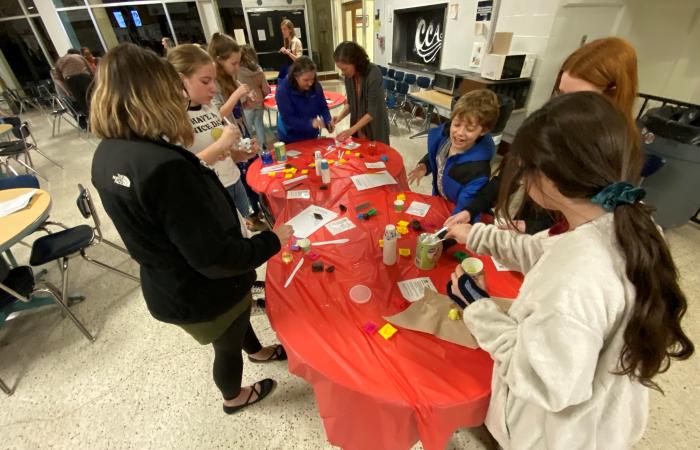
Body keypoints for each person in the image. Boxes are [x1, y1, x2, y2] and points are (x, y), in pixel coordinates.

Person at [445, 92, 694, 449]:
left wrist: (476, 304)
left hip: (558, 435)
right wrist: (476, 234)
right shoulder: (618, 218)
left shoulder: (577, 278)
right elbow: (542, 250)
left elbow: (544, 379)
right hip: (602, 416)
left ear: (549, 177)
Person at [90, 43, 293, 415]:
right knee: (226, 344)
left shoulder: (108, 153)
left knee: (237, 321)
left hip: (171, 283)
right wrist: (272, 240)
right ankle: (234, 396)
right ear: (156, 93)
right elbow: (216, 259)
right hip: (202, 291)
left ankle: (258, 350)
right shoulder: (163, 165)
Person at [445, 36, 641, 233]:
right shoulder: (552, 128)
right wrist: (472, 210)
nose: (563, 108)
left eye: (578, 99)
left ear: (612, 95)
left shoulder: (617, 153)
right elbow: (507, 176)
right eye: (561, 94)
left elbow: (589, 224)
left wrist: (532, 228)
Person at [167, 44, 266, 232]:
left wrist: (240, 154)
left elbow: (222, 154)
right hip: (211, 193)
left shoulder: (209, 106)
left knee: (242, 232)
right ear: (181, 80)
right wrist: (222, 145)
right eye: (205, 81)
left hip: (233, 180)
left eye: (214, 80)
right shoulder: (172, 120)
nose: (213, 88)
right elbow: (182, 172)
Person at [208, 33, 267, 231]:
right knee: (243, 179)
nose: (236, 67)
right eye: (233, 63)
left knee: (253, 173)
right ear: (218, 60)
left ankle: (258, 213)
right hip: (228, 143)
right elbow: (216, 116)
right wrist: (236, 95)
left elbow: (237, 110)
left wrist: (248, 100)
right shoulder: (212, 84)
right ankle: (251, 218)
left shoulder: (230, 78)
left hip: (242, 134)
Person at [407, 90, 499, 215]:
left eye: (469, 129)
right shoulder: (445, 139)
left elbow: (466, 208)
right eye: (456, 124)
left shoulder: (478, 171)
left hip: (455, 211)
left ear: (483, 131)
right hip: (440, 199)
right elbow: (437, 154)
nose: (460, 132)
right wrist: (425, 165)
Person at [332, 41, 390, 145]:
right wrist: (339, 117)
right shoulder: (349, 76)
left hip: (374, 127)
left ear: (356, 62)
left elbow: (372, 112)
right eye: (341, 69)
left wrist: (350, 131)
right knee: (359, 156)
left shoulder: (373, 73)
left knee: (377, 157)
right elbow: (350, 103)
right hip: (358, 127)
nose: (342, 73)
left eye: (344, 69)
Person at [275, 56, 334, 143]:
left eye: (312, 79)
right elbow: (289, 119)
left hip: (311, 135)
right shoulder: (283, 91)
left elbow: (323, 107)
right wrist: (310, 123)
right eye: (306, 80)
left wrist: (328, 121)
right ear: (295, 76)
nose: (310, 83)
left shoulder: (316, 86)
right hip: (290, 137)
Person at [238, 45, 271, 147]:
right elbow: (266, 89)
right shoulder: (259, 70)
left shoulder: (237, 71)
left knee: (247, 130)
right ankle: (263, 149)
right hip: (259, 102)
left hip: (245, 104)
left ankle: (249, 151)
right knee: (260, 126)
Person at [54, 48, 94, 128]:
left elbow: (58, 79)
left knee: (83, 104)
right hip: (85, 78)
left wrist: (67, 90)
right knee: (93, 99)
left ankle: (92, 125)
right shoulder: (78, 56)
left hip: (71, 81)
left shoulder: (59, 61)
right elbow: (91, 70)